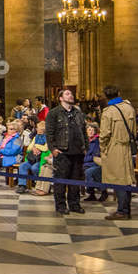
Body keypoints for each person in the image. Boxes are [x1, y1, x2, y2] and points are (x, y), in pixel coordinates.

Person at [45, 85, 86, 215]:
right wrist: (53, 149)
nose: (71, 96)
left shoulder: (77, 112)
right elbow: (49, 133)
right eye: (68, 94)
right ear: (61, 98)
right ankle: (61, 205)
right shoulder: (54, 113)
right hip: (62, 151)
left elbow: (83, 130)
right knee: (61, 180)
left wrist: (85, 147)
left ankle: (74, 204)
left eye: (71, 94)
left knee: (75, 181)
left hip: (78, 152)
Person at [99, 83, 138, 220]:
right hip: (127, 147)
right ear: (119, 93)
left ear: (105, 96)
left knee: (118, 180)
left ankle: (122, 211)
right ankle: (126, 209)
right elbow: (134, 130)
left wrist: (103, 149)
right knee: (126, 180)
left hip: (114, 147)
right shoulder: (129, 108)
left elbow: (104, 134)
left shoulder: (108, 111)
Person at [83, 123, 105, 202]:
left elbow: (95, 156)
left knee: (89, 172)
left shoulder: (97, 142)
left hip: (95, 164)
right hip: (85, 164)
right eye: (89, 130)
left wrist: (86, 158)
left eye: (93, 130)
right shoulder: (84, 141)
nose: (91, 132)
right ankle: (94, 193)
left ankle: (101, 191)